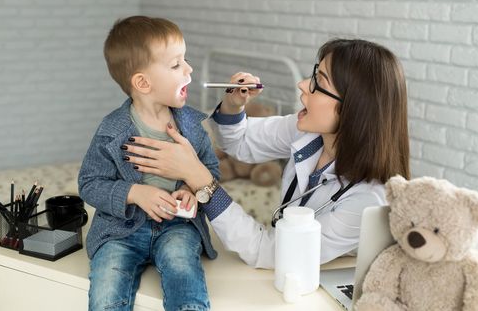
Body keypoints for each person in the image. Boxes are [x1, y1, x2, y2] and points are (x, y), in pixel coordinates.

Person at [121, 38, 410, 268]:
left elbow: (274, 253)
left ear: (354, 108)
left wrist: (201, 180)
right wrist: (234, 105)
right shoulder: (310, 133)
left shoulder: (367, 200)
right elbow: (242, 142)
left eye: (319, 82)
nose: (302, 85)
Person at [78, 16, 220, 311]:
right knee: (106, 288)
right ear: (142, 83)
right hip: (120, 232)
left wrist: (190, 191)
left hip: (177, 227)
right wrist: (134, 193)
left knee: (184, 270)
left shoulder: (192, 126)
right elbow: (90, 183)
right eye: (176, 64)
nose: (189, 69)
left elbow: (210, 172)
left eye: (185, 60)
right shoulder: (111, 131)